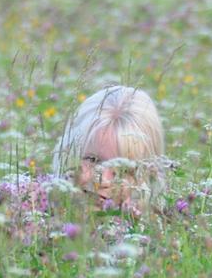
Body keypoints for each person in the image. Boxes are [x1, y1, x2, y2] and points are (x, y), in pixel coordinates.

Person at [52, 85, 166, 214]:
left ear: (148, 177)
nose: (103, 180)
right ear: (67, 153)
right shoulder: (32, 209)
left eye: (123, 170)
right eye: (92, 160)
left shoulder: (163, 231)